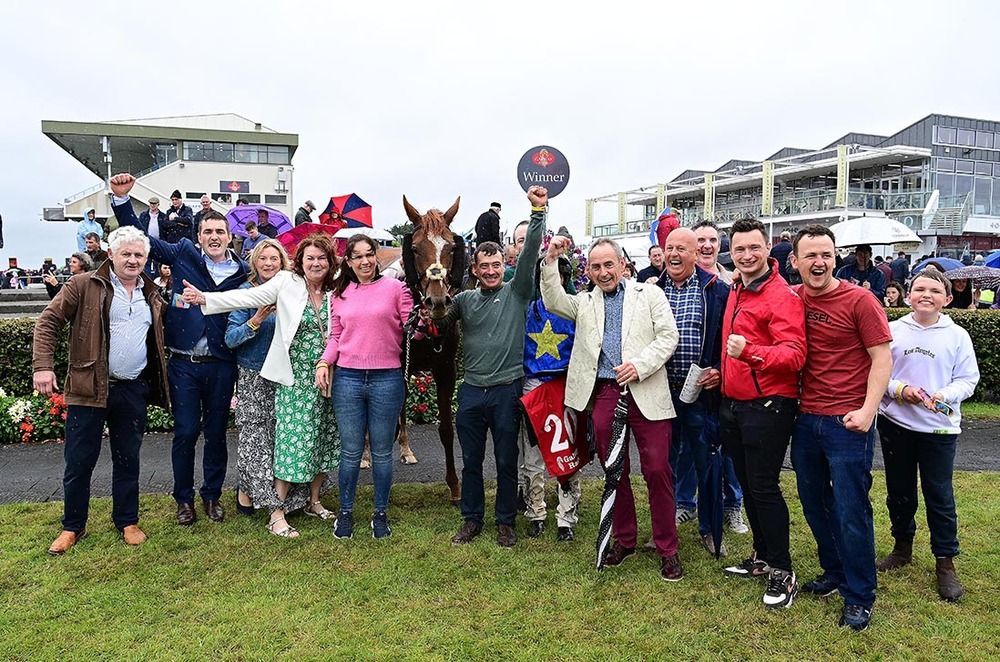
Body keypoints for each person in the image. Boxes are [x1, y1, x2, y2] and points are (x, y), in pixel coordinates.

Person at [110, 172, 249, 527]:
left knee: (217, 433)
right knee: (186, 431)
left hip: (221, 364)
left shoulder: (243, 272)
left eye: (220, 232)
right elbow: (144, 242)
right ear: (198, 236)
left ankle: (212, 496)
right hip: (184, 363)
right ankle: (183, 499)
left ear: (229, 236)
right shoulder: (185, 252)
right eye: (207, 232)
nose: (214, 237)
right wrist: (124, 201)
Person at [543, 232, 682, 580]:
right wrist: (549, 261)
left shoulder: (650, 293)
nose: (603, 272)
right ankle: (625, 538)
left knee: (657, 470)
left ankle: (668, 548)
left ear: (623, 264)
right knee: (613, 470)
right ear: (587, 271)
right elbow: (552, 300)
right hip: (606, 393)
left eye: (609, 264)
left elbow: (669, 336)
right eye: (595, 267)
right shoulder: (583, 302)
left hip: (647, 390)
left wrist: (640, 365)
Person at [183, 234, 341, 529]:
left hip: (331, 374)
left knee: (326, 438)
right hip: (295, 376)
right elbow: (247, 297)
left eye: (322, 258)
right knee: (291, 443)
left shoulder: (338, 289)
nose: (316, 263)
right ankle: (276, 512)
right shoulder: (287, 283)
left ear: (330, 262)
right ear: (299, 262)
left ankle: (313, 501)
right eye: (310, 258)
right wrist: (206, 298)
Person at [32, 226, 169, 555]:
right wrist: (42, 366)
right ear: (111, 254)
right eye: (127, 254)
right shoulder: (83, 284)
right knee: (79, 461)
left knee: (128, 459)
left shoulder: (152, 292)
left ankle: (127, 520)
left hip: (132, 389)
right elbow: (48, 321)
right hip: (88, 388)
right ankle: (72, 526)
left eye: (139, 255)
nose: (133, 260)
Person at [789, 224, 892, 632]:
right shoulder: (791, 299)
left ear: (836, 257)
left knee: (852, 509)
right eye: (811, 255)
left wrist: (868, 411)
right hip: (805, 419)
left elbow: (881, 359)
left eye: (826, 255)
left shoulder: (860, 300)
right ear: (794, 261)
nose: (819, 262)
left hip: (848, 422)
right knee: (814, 504)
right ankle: (834, 571)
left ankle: (860, 594)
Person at [447, 188, 544, 548]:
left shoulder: (518, 291)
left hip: (506, 389)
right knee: (471, 461)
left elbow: (532, 250)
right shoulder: (465, 300)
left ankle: (505, 522)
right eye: (483, 267)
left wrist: (538, 211)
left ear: (504, 266)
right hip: (471, 391)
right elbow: (439, 318)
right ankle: (472, 520)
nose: (490, 271)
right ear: (474, 270)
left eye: (496, 265)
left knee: (506, 460)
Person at [876, 268, 980, 602]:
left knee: (939, 495)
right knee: (899, 492)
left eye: (935, 291)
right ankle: (902, 547)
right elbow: (877, 374)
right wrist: (899, 389)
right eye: (920, 289)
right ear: (908, 295)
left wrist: (944, 395)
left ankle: (945, 563)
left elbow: (968, 379)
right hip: (897, 425)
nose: (926, 295)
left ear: (947, 299)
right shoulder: (893, 330)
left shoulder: (957, 335)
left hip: (939, 428)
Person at [719, 218, 806, 609]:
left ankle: (783, 572)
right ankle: (761, 556)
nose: (747, 255)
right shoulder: (737, 287)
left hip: (769, 404)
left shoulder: (781, 296)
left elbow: (795, 355)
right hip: (735, 404)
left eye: (754, 247)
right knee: (749, 485)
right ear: (732, 252)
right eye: (739, 249)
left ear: (768, 248)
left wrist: (750, 354)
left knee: (764, 487)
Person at [315, 235, 413, 539]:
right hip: (348, 379)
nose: (365, 261)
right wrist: (323, 363)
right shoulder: (339, 293)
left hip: (387, 378)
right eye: (357, 256)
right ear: (349, 261)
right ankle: (345, 513)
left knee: (382, 452)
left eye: (370, 255)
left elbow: (415, 329)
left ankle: (380, 513)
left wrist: (426, 319)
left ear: (378, 257)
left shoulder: (397, 289)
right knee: (351, 451)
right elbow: (336, 337)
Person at [224, 238, 311, 538]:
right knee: (254, 440)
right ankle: (270, 507)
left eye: (275, 258)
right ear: (255, 263)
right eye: (263, 259)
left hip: (285, 374)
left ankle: (250, 496)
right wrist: (256, 319)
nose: (269, 264)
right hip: (253, 374)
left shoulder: (293, 292)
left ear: (283, 263)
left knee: (279, 438)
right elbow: (230, 339)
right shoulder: (247, 295)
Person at [657, 228, 730, 557]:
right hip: (660, 393)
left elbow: (729, 338)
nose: (674, 254)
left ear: (695, 253)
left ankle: (711, 530)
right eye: (669, 247)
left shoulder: (716, 290)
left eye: (681, 249)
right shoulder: (652, 290)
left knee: (708, 464)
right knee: (663, 465)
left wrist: (719, 369)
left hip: (701, 393)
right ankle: (664, 530)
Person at [518, 255, 582, 541]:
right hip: (534, 387)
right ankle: (536, 511)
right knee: (532, 453)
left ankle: (567, 515)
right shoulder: (526, 310)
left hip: (565, 385)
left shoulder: (577, 308)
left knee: (567, 451)